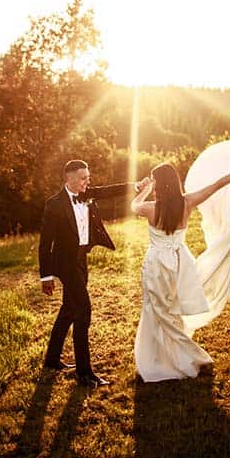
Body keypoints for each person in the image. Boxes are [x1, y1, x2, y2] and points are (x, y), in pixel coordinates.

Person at [131, 138, 230, 382]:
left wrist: (144, 188)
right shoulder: (187, 201)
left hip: (157, 264)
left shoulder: (150, 208)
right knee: (172, 311)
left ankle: (178, 357)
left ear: (159, 185)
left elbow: (133, 205)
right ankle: (181, 356)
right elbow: (218, 184)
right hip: (180, 262)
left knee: (156, 310)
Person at [39, 159, 148, 387]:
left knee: (69, 309)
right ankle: (84, 372)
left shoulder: (87, 194)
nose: (87, 182)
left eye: (88, 178)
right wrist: (46, 276)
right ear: (68, 178)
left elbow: (110, 191)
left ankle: (51, 360)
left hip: (81, 261)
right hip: (65, 264)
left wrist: (136, 185)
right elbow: (45, 243)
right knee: (83, 311)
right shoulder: (54, 204)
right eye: (82, 178)